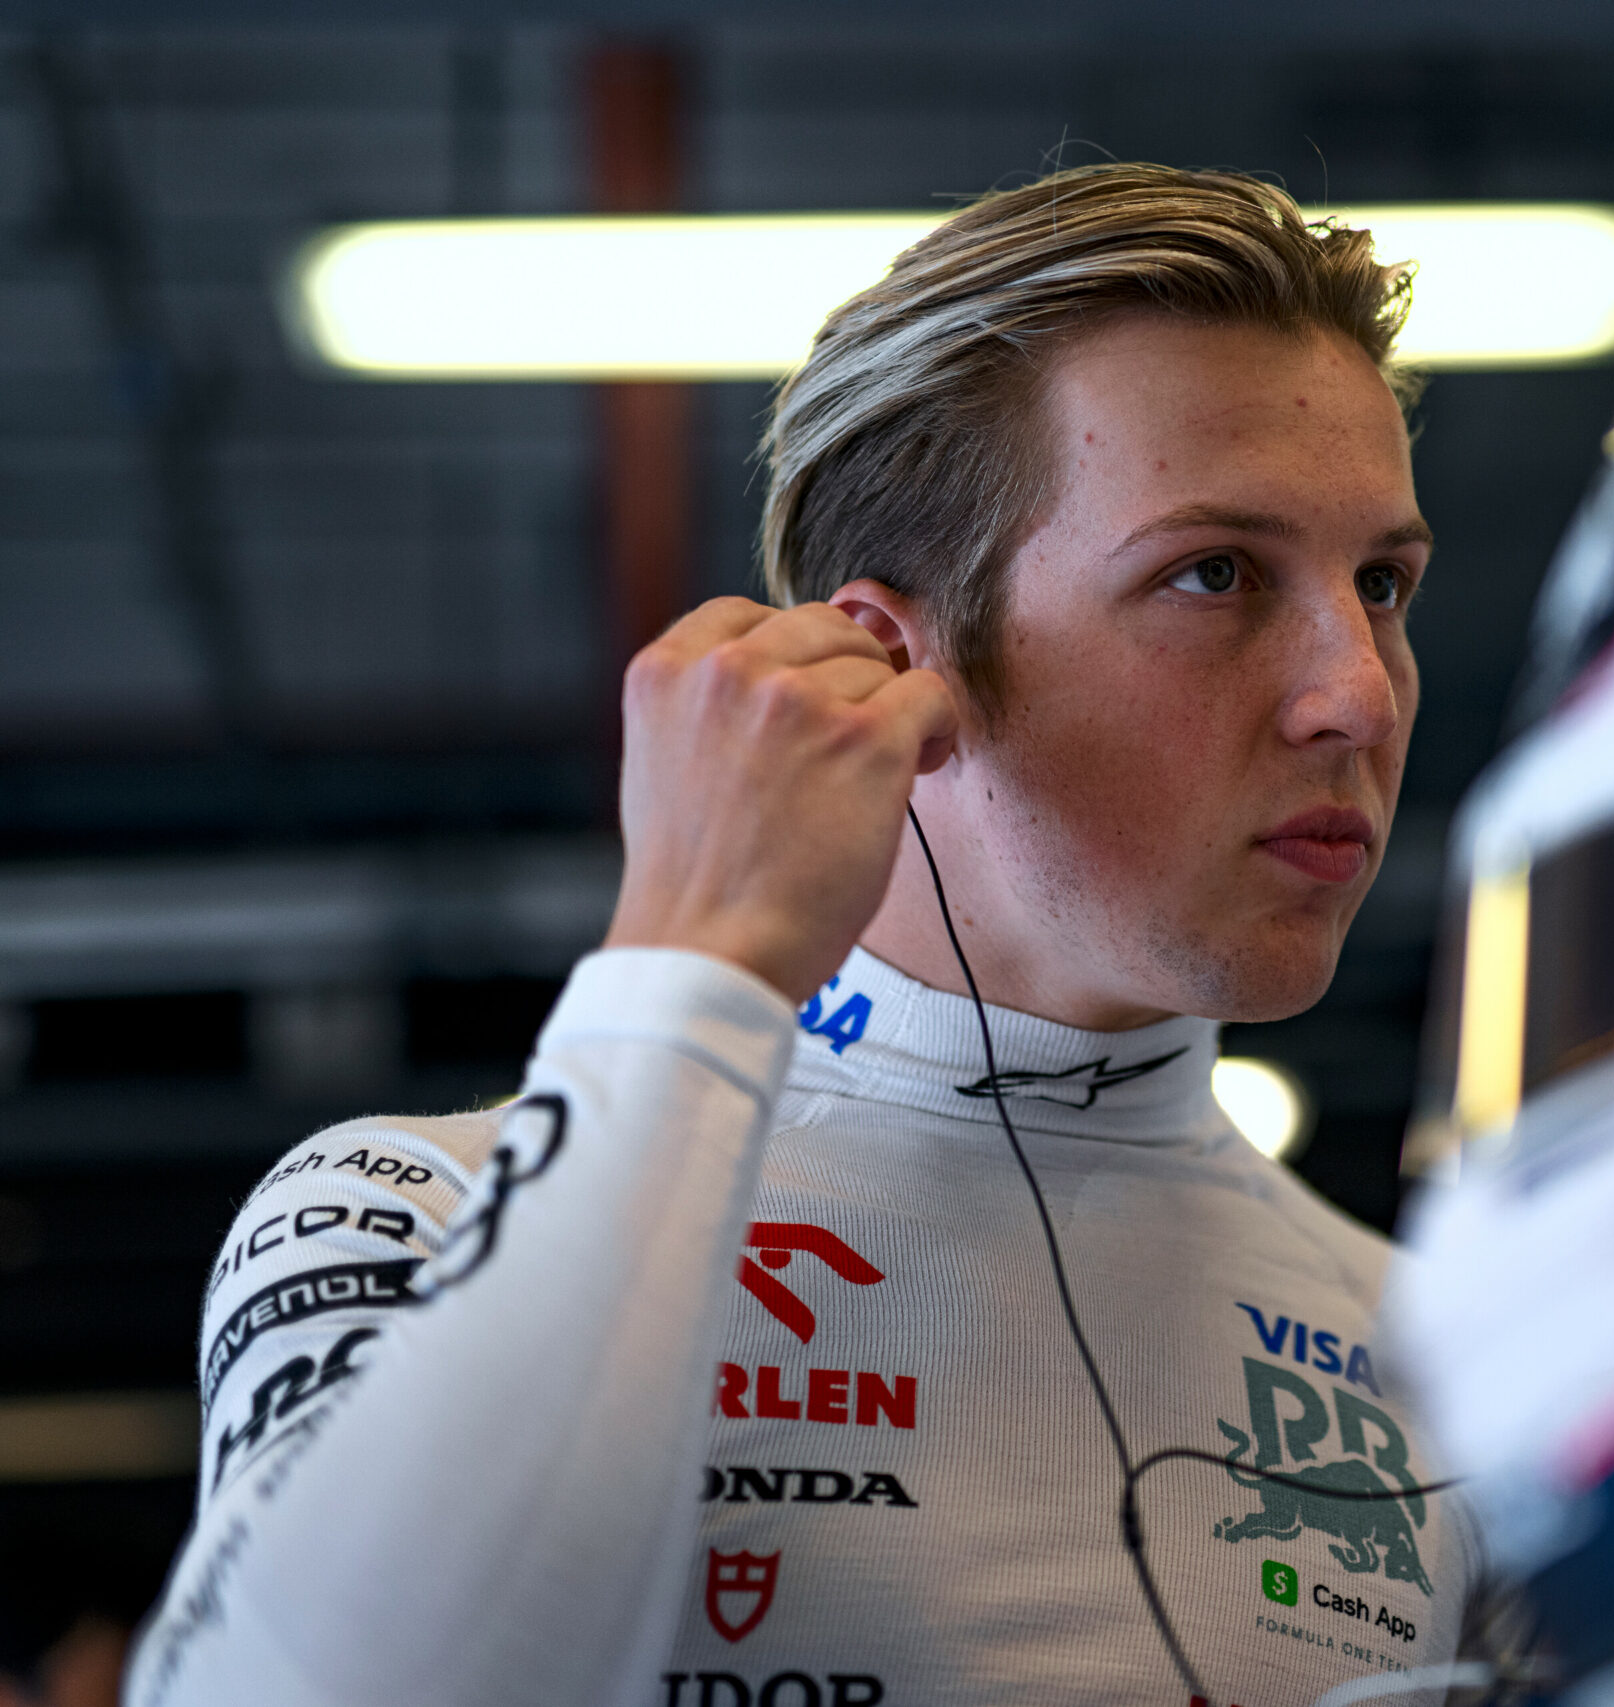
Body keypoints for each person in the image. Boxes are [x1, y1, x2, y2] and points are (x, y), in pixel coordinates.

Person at [124, 165, 1493, 1707]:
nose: (1360, 696)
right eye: (1214, 574)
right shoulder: (401, 1212)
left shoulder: (1458, 1361)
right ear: (892, 665)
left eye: (1382, 583)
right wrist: (689, 967)